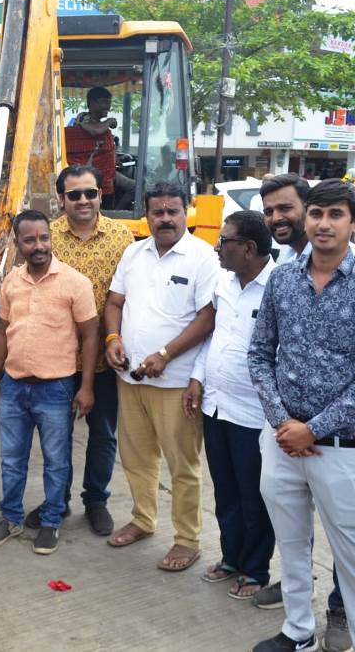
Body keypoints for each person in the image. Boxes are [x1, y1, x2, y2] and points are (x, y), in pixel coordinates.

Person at [249, 179, 355, 652]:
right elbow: (260, 355)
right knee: (292, 546)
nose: (324, 223)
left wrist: (312, 429)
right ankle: (298, 632)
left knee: (354, 554)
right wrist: (283, 423)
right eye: (316, 213)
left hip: (339, 448)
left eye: (336, 214)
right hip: (281, 442)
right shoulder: (282, 279)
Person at [104, 182, 217, 572]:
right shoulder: (134, 253)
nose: (165, 219)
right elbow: (115, 302)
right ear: (147, 215)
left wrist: (166, 355)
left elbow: (207, 317)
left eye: (173, 211)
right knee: (136, 458)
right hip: (131, 377)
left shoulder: (203, 258)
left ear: (186, 212)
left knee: (182, 465)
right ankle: (143, 519)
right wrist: (113, 339)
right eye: (158, 212)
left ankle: (187, 539)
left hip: (176, 383)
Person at [0, 209, 98, 555]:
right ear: (17, 243)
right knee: (11, 459)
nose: (39, 246)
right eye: (29, 240)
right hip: (14, 386)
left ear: (51, 238)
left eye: (44, 238)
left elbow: (90, 336)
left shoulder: (75, 282)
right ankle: (11, 518)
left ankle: (51, 521)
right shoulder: (11, 282)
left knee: (56, 460)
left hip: (56, 388)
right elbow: (2, 333)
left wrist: (86, 387)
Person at [184, 211, 276, 599]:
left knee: (254, 497)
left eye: (225, 241)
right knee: (225, 491)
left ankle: (255, 570)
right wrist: (197, 378)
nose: (217, 247)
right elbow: (214, 338)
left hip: (254, 415)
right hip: (216, 406)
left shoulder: (277, 288)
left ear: (249, 249)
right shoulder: (224, 282)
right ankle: (231, 558)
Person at [46, 164, 134, 536]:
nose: (83, 200)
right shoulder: (47, 237)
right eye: (74, 194)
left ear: (101, 194)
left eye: (90, 193)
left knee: (104, 435)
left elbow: (129, 295)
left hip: (105, 359)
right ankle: (57, 501)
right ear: (61, 198)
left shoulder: (122, 236)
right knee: (57, 436)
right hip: (58, 359)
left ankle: (96, 500)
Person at [64, 86, 117, 196]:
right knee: (132, 187)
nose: (108, 106)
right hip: (89, 174)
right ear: (92, 103)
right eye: (104, 102)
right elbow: (95, 131)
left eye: (109, 102)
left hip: (106, 172)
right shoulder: (84, 117)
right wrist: (109, 121)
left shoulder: (99, 124)